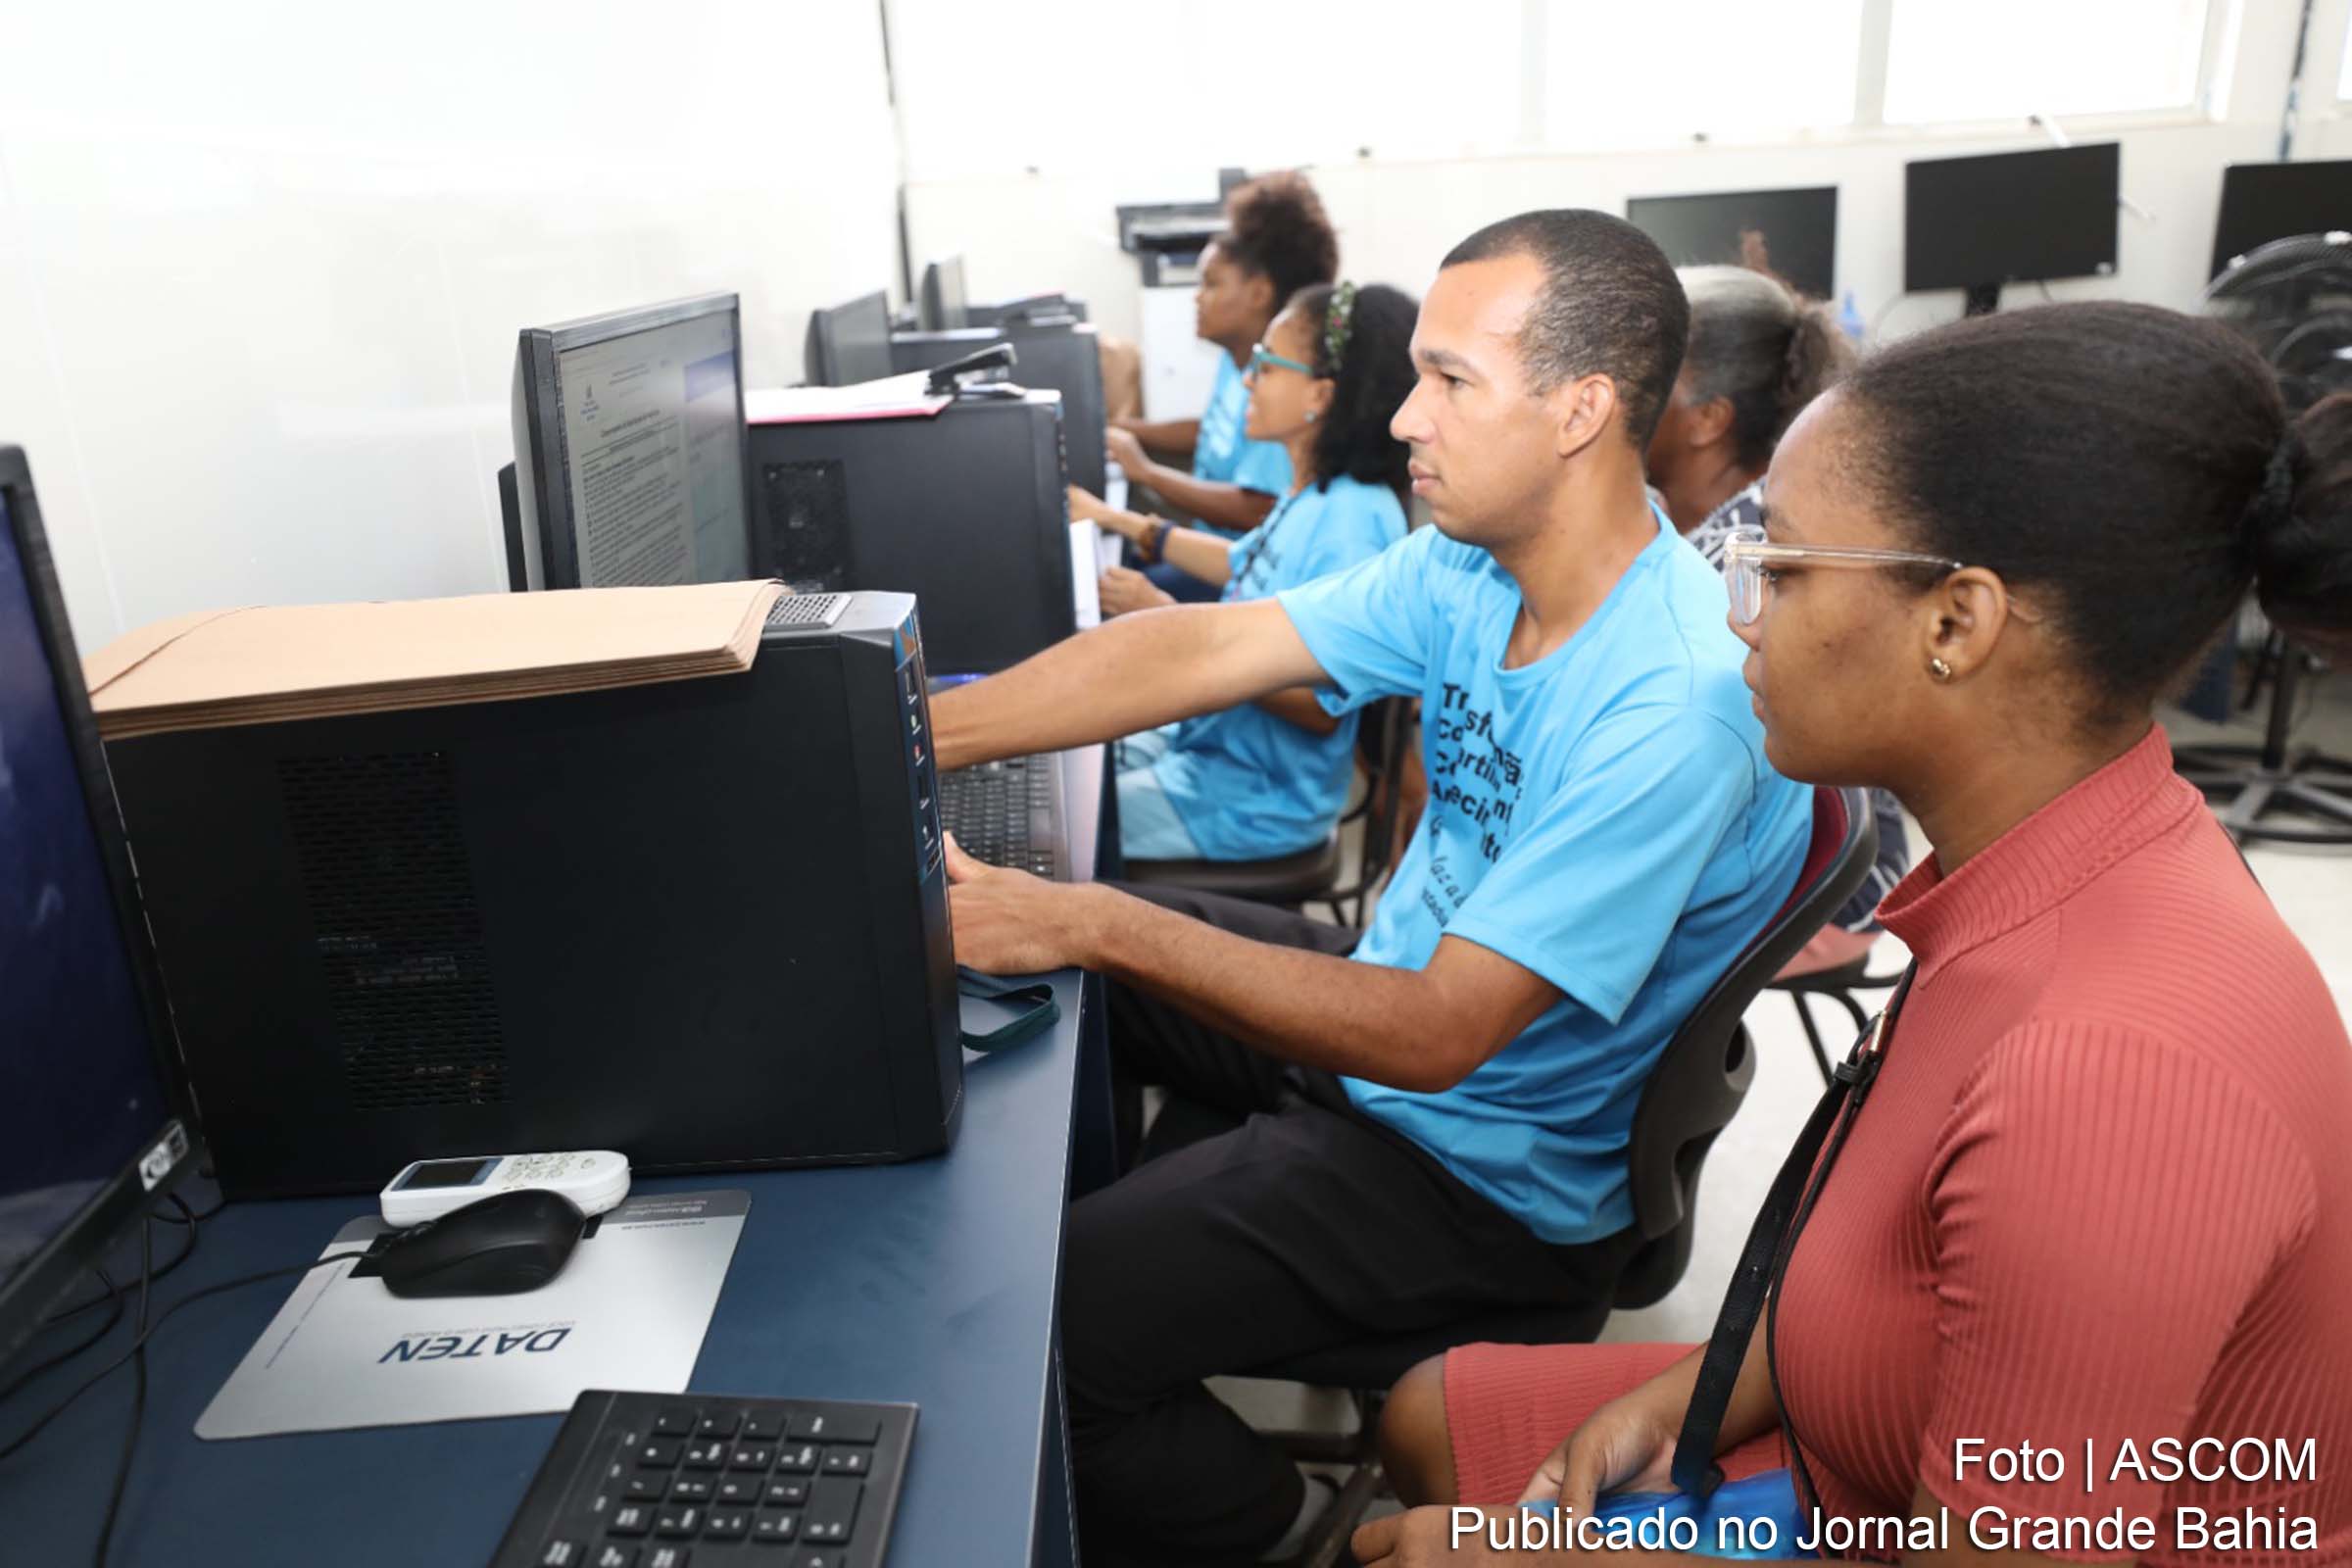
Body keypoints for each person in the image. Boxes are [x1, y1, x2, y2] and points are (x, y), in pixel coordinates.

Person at [1358, 302, 2352, 1567]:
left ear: (1958, 622)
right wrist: (1675, 1402)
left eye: (1780, 568)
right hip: (1874, 1423)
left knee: (1418, 1541)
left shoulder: (2114, 1072)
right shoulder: (2070, 847)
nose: (1740, 614)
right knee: (1427, 1418)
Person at [931, 210, 1809, 1566]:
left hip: (1476, 1177)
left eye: (1451, 381)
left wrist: (1094, 920)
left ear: (1582, 411)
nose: (1405, 418)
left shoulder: (1674, 700)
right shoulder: (1475, 563)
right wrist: (909, 737)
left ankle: (1274, 1530)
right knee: (1064, 964)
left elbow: (1438, 1033)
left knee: (1038, 1327)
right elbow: (1206, 651)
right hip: (1383, 1030)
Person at [1096, 280, 1415, 860]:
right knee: (1078, 751)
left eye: (1267, 366)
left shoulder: (1351, 522)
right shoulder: (1317, 493)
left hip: (1255, 800)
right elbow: (1243, 562)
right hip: (1214, 749)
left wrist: (1166, 617)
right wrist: (1128, 526)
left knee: (1069, 826)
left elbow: (1320, 710)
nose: (1248, 378)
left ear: (1320, 395)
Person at [1647, 264, 1905, 974]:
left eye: (1651, 379)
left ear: (1709, 419)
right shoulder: (1681, 521)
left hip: (1821, 891)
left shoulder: (1745, 550)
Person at [1078, 172, 1339, 602]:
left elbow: (1257, 508)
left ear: (1258, 293)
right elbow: (1213, 432)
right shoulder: (1236, 358)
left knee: (1100, 593)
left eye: (1211, 283)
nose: (1196, 297)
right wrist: (1129, 431)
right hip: (1216, 549)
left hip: (1241, 566)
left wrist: (1147, 472)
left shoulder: (1283, 387)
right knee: (1106, 563)